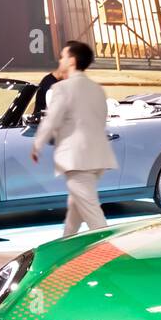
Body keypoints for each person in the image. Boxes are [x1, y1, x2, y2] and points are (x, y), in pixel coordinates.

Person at [31, 40, 117, 238]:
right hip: (98, 158)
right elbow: (101, 119)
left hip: (78, 161)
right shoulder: (97, 89)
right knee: (75, 212)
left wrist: (37, 145)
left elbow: (51, 120)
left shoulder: (62, 88)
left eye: (62, 56)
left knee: (94, 217)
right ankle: (65, 246)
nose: (59, 60)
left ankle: (113, 254)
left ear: (71, 60)